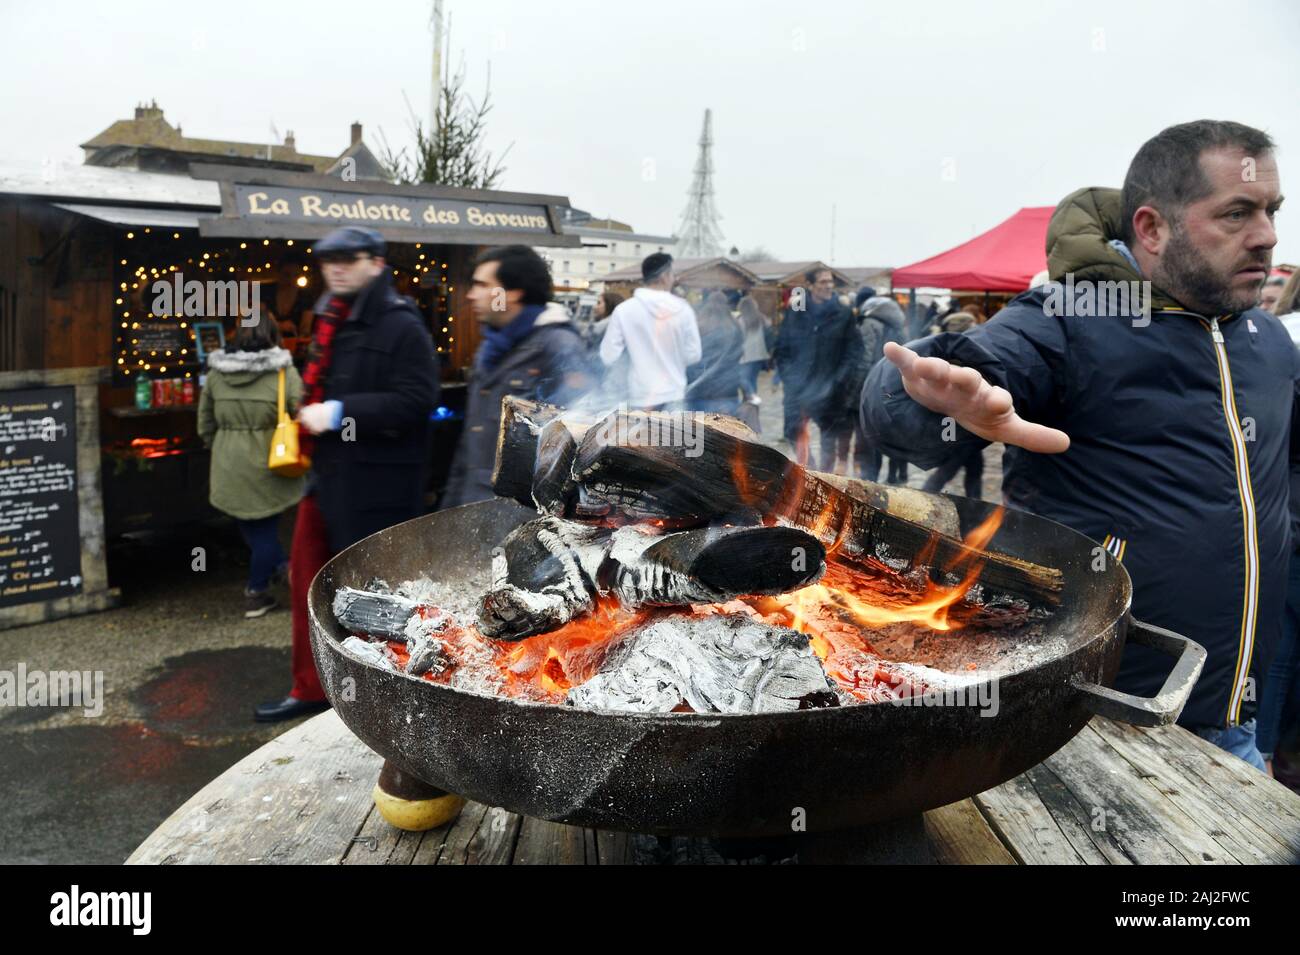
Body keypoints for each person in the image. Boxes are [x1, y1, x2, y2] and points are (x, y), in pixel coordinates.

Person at [862, 120, 1290, 769]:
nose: (1266, 235)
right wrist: (924, 391)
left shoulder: (1270, 340)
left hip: (1233, 719)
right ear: (1151, 228)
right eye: (1236, 214)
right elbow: (930, 386)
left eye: (1270, 210)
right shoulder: (1070, 316)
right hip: (1090, 717)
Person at [255, 226, 438, 723]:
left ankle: (384, 696)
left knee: (374, 597)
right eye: (326, 258)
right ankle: (312, 686)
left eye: (347, 257)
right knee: (307, 584)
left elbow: (418, 400)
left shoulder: (401, 325)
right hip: (330, 479)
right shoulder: (330, 318)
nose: (334, 266)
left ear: (375, 263)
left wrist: (337, 412)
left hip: (379, 490)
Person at [442, 245, 590, 508]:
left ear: (513, 293)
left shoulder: (558, 345)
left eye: (482, 285)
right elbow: (470, 444)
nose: (472, 295)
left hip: (519, 514)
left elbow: (579, 440)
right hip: (474, 503)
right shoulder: (490, 348)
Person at [197, 308, 304, 618]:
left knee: (252, 527)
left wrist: (218, 445)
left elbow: (204, 423)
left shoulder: (217, 373)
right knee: (266, 532)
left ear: (237, 333)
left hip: (228, 461)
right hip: (270, 461)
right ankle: (257, 591)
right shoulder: (284, 372)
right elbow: (301, 410)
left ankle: (281, 571)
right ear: (273, 333)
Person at [774, 267, 865, 471]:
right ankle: (808, 470)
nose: (828, 286)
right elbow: (782, 348)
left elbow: (855, 351)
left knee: (829, 437)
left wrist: (838, 379)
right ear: (810, 285)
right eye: (823, 282)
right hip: (798, 388)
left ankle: (825, 478)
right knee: (792, 432)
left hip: (829, 389)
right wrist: (790, 378)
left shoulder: (843, 314)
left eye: (830, 281)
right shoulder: (796, 312)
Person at [599, 253, 701, 410]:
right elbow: (694, 354)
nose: (673, 279)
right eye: (672, 274)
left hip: (639, 396)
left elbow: (608, 356)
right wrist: (672, 360)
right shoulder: (683, 310)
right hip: (674, 395)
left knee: (641, 435)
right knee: (673, 435)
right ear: (664, 276)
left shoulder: (624, 310)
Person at [855, 289, 909, 484]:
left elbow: (865, 357)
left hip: (873, 385)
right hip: (895, 385)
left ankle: (871, 479)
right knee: (895, 431)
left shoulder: (869, 323)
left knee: (871, 434)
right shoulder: (898, 322)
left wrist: (856, 389)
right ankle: (898, 476)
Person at [684, 291, 744, 414]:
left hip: (698, 390)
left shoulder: (698, 326)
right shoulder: (735, 327)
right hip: (727, 391)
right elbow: (739, 356)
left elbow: (691, 359)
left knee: (698, 432)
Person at [736, 295, 771, 406]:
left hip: (745, 355)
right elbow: (769, 330)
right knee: (752, 379)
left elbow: (739, 338)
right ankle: (751, 402)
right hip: (759, 354)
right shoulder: (761, 318)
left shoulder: (741, 320)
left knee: (743, 378)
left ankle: (751, 397)